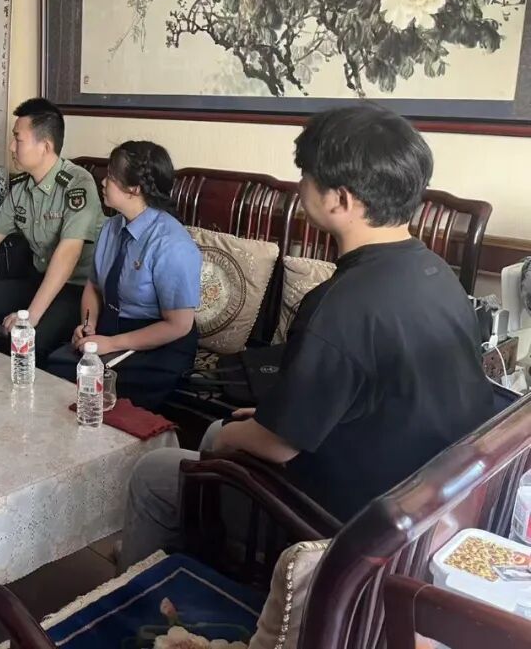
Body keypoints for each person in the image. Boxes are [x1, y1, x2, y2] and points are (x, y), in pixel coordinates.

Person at [119, 106, 494, 569]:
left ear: (340, 200)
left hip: (339, 524)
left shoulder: (339, 303)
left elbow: (278, 446)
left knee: (159, 468)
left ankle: (143, 593)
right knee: (226, 432)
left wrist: (234, 436)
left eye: (306, 177)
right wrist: (274, 420)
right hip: (420, 504)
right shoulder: (436, 273)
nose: (300, 188)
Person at [0, 99, 104, 364]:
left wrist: (31, 316)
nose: (11, 147)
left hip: (77, 290)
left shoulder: (77, 184)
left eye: (18, 139)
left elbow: (68, 254)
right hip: (37, 281)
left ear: (45, 146)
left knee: (28, 339)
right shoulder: (21, 188)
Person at [46, 142, 201, 410]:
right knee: (55, 366)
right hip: (112, 328)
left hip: (158, 342)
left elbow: (179, 325)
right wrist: (89, 325)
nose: (103, 182)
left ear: (134, 189)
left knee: (78, 380)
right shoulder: (111, 227)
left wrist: (111, 344)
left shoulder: (171, 244)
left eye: (111, 176)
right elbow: (93, 285)